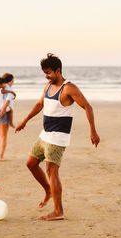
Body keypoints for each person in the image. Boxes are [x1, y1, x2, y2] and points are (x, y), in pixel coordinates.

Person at [15, 53, 100, 221]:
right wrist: (25, 121)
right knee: (31, 164)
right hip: (45, 134)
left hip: (58, 137)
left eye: (49, 72)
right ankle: (48, 190)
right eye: (45, 73)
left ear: (58, 70)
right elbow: (40, 104)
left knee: (51, 171)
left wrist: (93, 131)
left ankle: (58, 211)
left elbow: (87, 107)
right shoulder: (48, 86)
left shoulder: (69, 88)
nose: (47, 76)